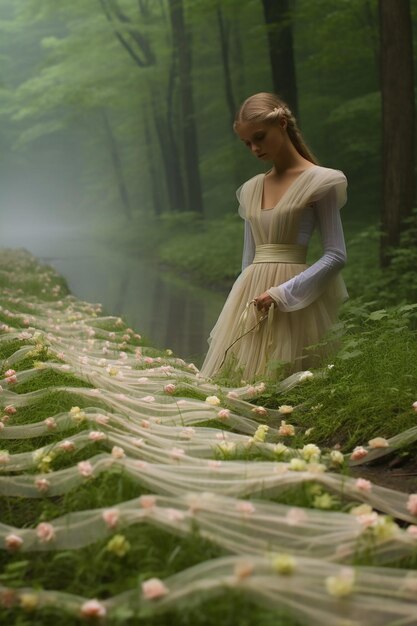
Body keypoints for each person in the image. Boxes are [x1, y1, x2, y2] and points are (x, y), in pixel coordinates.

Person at [200, 92, 348, 382]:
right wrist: (243, 303)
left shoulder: (321, 181)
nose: (254, 149)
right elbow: (249, 259)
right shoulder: (252, 188)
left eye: (259, 137)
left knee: (293, 385)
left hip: (295, 296)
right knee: (240, 383)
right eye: (247, 143)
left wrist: (283, 293)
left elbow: (336, 254)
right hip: (252, 299)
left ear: (281, 123)